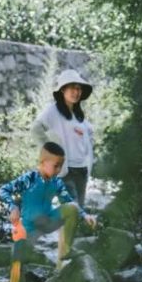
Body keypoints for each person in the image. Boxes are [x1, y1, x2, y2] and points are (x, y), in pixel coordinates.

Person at [0, 142, 97, 269]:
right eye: (56, 166)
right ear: (43, 162)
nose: (59, 170)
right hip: (29, 227)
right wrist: (13, 207)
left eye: (61, 166)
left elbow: (68, 200)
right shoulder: (30, 178)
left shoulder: (56, 182)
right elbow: (3, 190)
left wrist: (84, 215)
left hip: (48, 221)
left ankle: (64, 254)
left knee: (72, 208)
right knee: (17, 263)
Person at [30, 69, 95, 208]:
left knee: (77, 212)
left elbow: (88, 137)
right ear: (62, 90)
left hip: (81, 171)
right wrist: (50, 152)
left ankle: (68, 230)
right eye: (72, 88)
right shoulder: (53, 110)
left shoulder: (79, 116)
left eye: (78, 89)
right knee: (72, 209)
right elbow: (36, 129)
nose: (76, 92)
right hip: (65, 171)